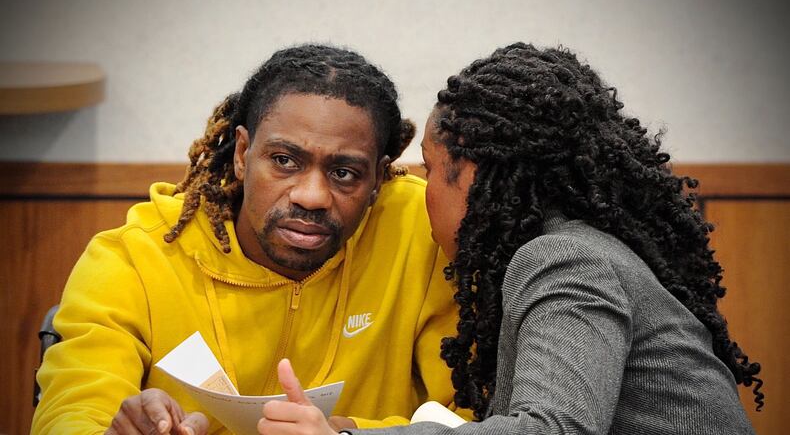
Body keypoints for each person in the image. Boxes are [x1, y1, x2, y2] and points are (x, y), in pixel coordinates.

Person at [257, 43, 762, 435]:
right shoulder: (575, 251)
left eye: (431, 170)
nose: (418, 191)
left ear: (475, 177)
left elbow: (553, 429)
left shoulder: (562, 259)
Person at [31, 44, 468, 434]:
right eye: (283, 160)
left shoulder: (424, 235)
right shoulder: (135, 256)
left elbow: (470, 417)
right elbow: (69, 411)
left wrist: (343, 432)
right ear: (243, 153)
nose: (311, 196)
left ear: (377, 178)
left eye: (344, 173)